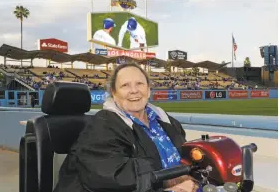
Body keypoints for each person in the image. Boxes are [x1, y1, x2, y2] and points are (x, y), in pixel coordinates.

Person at [54, 63, 198, 192]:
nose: (134, 90)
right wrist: (168, 180)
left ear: (148, 90)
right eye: (125, 85)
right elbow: (109, 174)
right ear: (114, 94)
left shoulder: (165, 120)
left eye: (139, 84)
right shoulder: (102, 124)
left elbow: (185, 156)